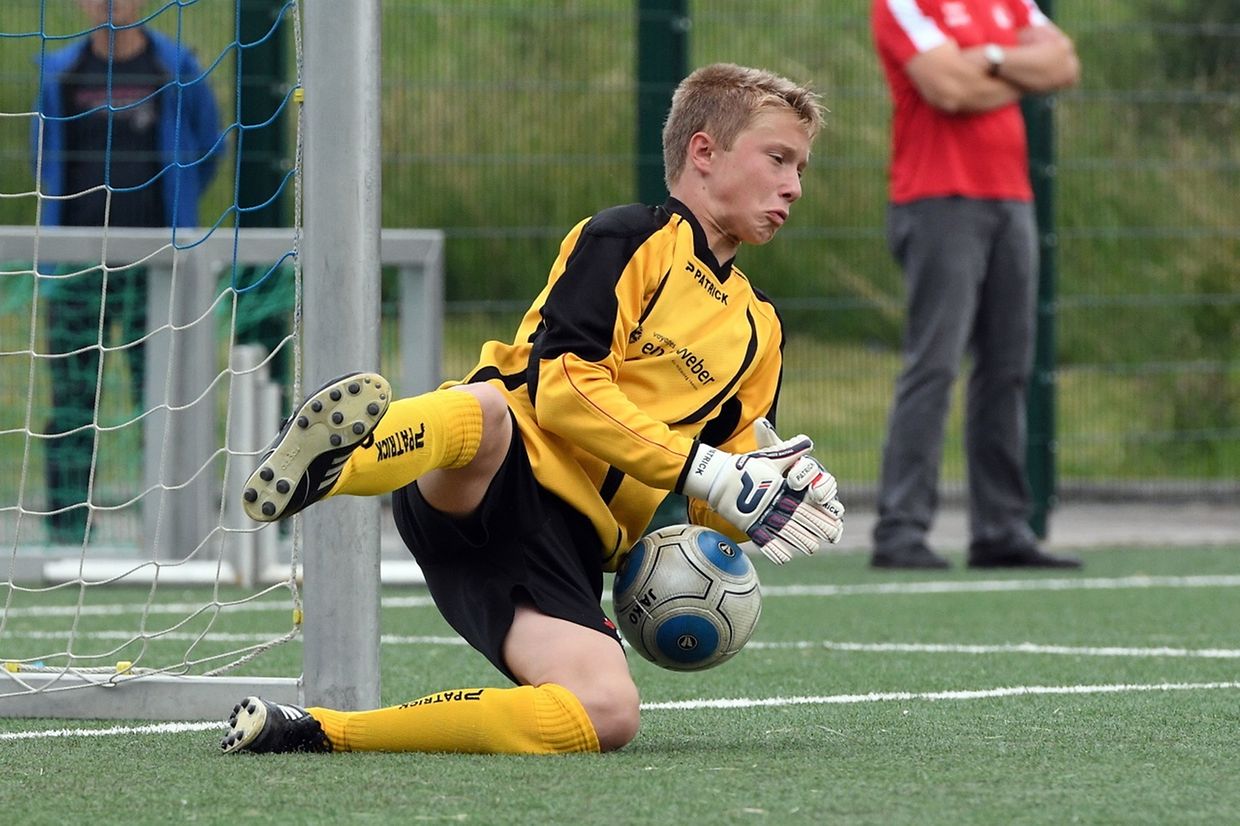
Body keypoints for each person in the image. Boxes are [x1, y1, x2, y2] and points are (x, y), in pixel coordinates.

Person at [220, 63, 845, 756]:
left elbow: (714, 502)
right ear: (704, 152)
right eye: (778, 158)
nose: (793, 185)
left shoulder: (760, 332)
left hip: (566, 549)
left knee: (610, 712)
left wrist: (773, 494)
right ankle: (332, 466)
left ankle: (317, 733)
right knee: (488, 409)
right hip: (494, 466)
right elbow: (563, 390)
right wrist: (704, 469)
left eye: (801, 168)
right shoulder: (625, 239)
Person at [869, 0, 1082, 570]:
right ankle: (900, 529)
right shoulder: (903, 5)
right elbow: (948, 90)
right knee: (934, 365)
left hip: (1010, 200)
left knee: (1009, 367)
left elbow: (1063, 64)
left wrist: (985, 58)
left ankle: (1001, 529)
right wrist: (1019, 72)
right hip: (938, 201)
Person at [32, 0, 222, 543]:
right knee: (71, 396)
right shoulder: (62, 72)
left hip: (156, 265)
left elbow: (208, 147)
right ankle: (66, 528)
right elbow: (42, 157)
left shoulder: (176, 68)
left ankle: (167, 524)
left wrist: (177, 210)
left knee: (159, 393)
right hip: (78, 264)